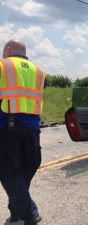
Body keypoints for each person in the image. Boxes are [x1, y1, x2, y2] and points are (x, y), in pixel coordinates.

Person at [0, 39, 45, 225]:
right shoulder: (40, 72)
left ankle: (29, 211)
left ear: (8, 50)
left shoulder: (3, 65)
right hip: (33, 130)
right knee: (24, 171)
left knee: (8, 171)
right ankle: (16, 212)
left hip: (6, 128)